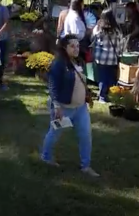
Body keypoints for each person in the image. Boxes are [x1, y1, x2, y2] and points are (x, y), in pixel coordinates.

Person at [42, 35, 98, 177]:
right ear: (64, 48)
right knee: (54, 134)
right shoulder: (59, 63)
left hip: (80, 108)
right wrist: (56, 106)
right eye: (72, 46)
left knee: (85, 135)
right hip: (63, 108)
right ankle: (45, 157)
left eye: (78, 46)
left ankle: (86, 166)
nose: (76, 48)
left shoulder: (79, 61)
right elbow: (53, 85)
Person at [92, 10, 121, 103]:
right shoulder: (116, 30)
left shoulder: (99, 29)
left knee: (102, 78)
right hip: (113, 58)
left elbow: (92, 38)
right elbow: (119, 44)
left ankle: (102, 97)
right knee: (111, 78)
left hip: (101, 58)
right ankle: (110, 95)